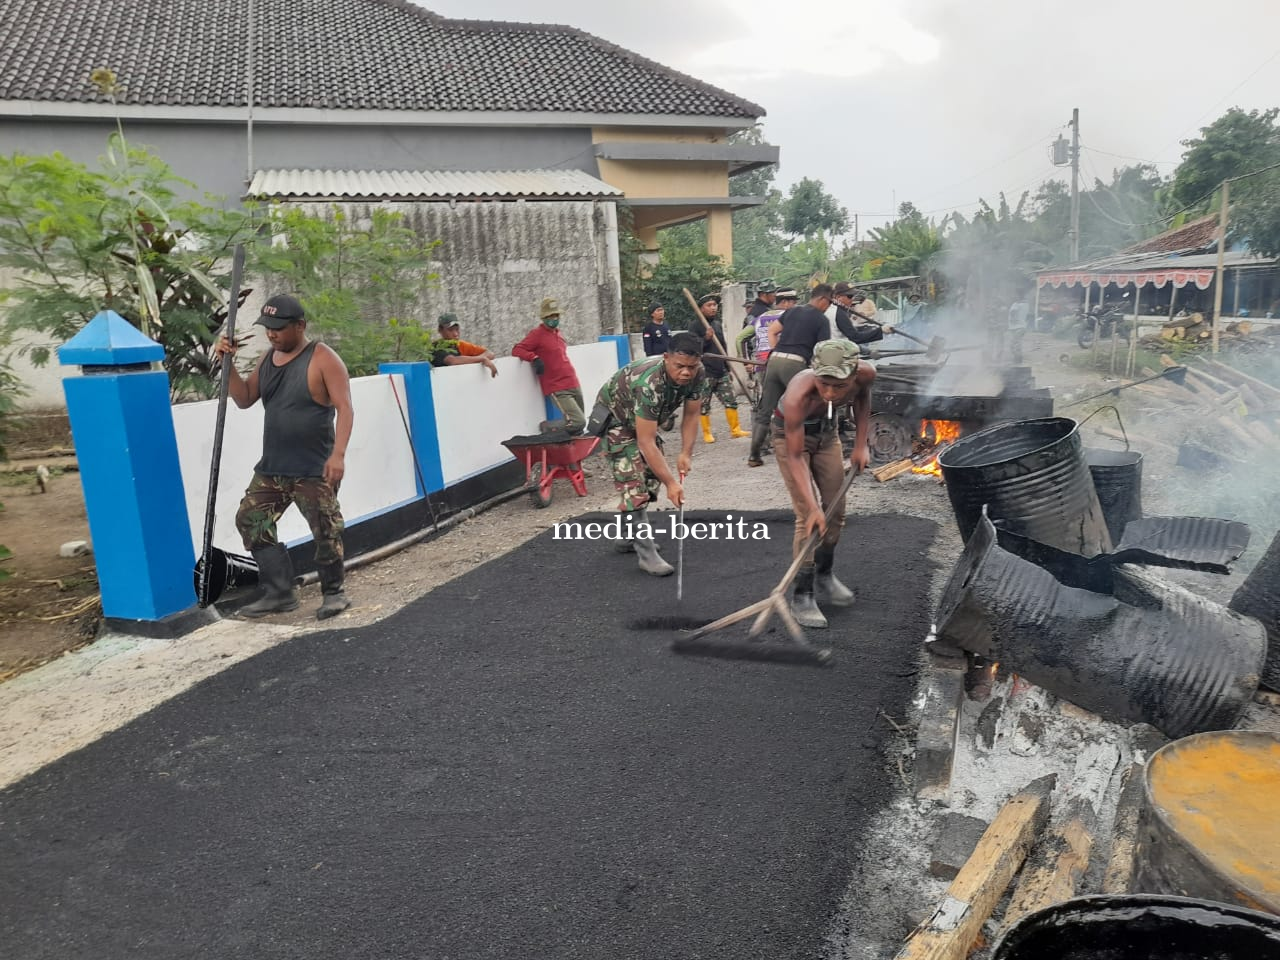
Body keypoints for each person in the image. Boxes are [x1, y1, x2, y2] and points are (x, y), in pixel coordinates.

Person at [213, 294, 354, 620]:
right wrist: (227, 363)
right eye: (268, 328)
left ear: (300, 326)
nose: (272, 334)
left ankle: (334, 593)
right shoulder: (266, 360)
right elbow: (244, 398)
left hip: (313, 468)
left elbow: (345, 408)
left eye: (278, 328)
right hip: (273, 467)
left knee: (325, 530)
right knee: (250, 519)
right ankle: (279, 592)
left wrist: (338, 455)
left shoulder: (322, 358)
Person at [773, 339, 875, 628]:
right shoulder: (798, 395)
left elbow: (863, 399)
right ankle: (802, 594)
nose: (829, 393)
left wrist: (861, 444)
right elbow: (794, 457)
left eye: (838, 386)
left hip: (828, 435)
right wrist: (812, 506)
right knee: (809, 516)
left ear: (853, 373)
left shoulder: (866, 374)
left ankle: (824, 574)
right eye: (823, 384)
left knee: (836, 511)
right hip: (791, 439)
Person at [593, 331, 707, 576]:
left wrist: (686, 453)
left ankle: (626, 537)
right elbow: (645, 442)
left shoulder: (699, 373)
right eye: (679, 366)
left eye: (691, 366)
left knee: (649, 479)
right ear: (666, 358)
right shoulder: (649, 383)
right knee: (633, 483)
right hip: (618, 420)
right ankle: (647, 555)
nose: (686, 373)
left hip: (643, 420)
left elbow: (692, 414)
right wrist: (672, 483)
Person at [746, 284, 835, 468]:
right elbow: (823, 350)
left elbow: (772, 331)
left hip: (775, 360)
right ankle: (801, 451)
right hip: (796, 364)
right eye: (829, 303)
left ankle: (754, 456)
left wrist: (773, 351)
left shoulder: (792, 312)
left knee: (765, 410)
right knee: (804, 406)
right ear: (823, 300)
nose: (828, 307)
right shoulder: (821, 320)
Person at [512, 297, 586, 435]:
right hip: (557, 386)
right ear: (544, 317)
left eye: (556, 315)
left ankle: (568, 453)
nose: (554, 318)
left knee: (579, 425)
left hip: (572, 382)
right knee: (578, 422)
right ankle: (550, 430)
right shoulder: (536, 334)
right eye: (550, 316)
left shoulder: (558, 333)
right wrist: (534, 358)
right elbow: (517, 349)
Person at [691, 293, 749, 442]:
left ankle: (736, 429)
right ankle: (707, 433)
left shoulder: (716, 325)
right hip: (705, 371)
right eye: (709, 305)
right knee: (704, 403)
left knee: (730, 399)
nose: (713, 308)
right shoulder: (695, 326)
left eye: (715, 305)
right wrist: (706, 339)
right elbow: (692, 350)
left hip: (720, 370)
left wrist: (728, 368)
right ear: (701, 309)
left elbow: (722, 347)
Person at [829, 281, 895, 348]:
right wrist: (881, 330)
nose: (852, 299)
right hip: (836, 354)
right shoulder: (838, 313)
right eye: (850, 296)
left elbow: (847, 338)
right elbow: (855, 338)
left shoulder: (832, 309)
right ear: (838, 297)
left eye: (853, 296)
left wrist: (862, 350)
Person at [433, 313, 498, 377]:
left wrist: (480, 359)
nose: (455, 334)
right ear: (440, 330)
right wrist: (482, 359)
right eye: (450, 330)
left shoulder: (460, 345)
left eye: (457, 329)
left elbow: (490, 353)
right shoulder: (436, 347)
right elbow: (453, 361)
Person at [1007, 296, 1029, 364]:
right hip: (1022, 327)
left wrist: (1013, 319)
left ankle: (1017, 360)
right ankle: (1018, 360)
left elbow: (1013, 312)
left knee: (1013, 345)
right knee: (1018, 344)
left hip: (1015, 327)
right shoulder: (1026, 304)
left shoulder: (1015, 304)